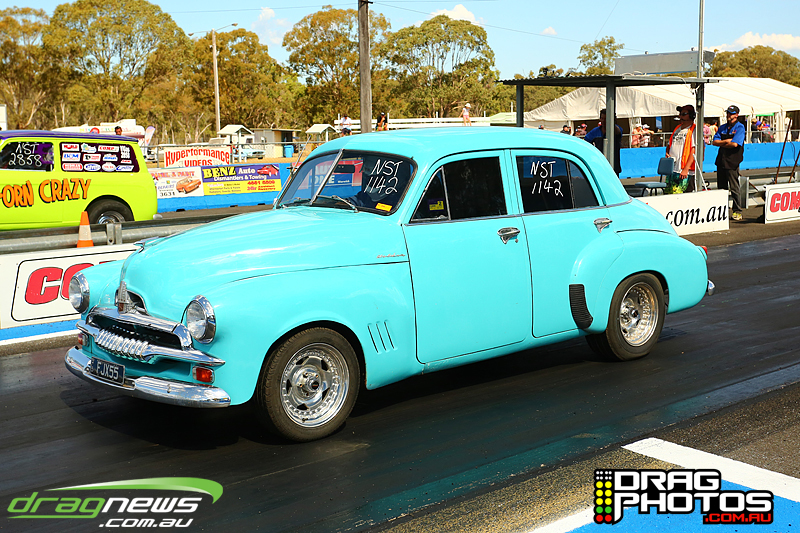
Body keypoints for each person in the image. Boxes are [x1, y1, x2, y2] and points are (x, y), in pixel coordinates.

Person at [712, 105, 746, 221]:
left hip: (733, 161)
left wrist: (722, 143)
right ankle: (723, 210)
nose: (728, 115)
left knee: (734, 187)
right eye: (728, 113)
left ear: (736, 115)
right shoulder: (722, 127)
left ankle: (737, 211)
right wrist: (726, 141)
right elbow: (714, 142)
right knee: (721, 188)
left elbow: (735, 144)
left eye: (731, 113)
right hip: (721, 160)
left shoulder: (740, 127)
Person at [665, 105, 697, 194]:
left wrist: (686, 169)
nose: (680, 116)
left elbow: (694, 150)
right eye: (680, 114)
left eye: (684, 114)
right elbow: (669, 144)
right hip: (673, 169)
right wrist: (667, 152)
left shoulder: (694, 130)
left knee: (683, 194)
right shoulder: (677, 128)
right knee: (670, 193)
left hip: (685, 171)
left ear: (691, 115)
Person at [585, 109, 623, 176]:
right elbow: (586, 141)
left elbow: (619, 132)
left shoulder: (616, 130)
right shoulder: (595, 131)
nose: (603, 121)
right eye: (602, 118)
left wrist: (612, 123)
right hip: (600, 165)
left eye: (605, 119)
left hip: (614, 165)